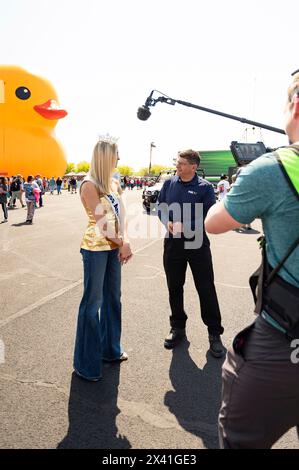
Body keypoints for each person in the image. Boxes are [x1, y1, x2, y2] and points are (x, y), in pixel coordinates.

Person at [205, 72, 299, 449]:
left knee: (240, 439)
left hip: (284, 344)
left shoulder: (274, 168)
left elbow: (215, 222)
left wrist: (249, 179)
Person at [73, 136, 133, 381]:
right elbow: (101, 223)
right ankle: (85, 364)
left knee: (113, 299)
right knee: (92, 303)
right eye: (116, 154)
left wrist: (125, 240)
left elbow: (123, 217)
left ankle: (110, 350)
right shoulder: (89, 184)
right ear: (106, 157)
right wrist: (122, 243)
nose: (119, 158)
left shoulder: (113, 183)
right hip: (95, 248)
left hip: (113, 247)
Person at [157, 149, 225, 358]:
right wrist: (167, 221)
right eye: (177, 162)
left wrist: (187, 227)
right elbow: (160, 206)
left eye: (181, 163)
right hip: (173, 246)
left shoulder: (205, 188)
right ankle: (178, 327)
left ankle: (214, 333)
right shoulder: (169, 183)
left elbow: (210, 216)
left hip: (197, 246)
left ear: (193, 166)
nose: (177, 166)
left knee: (205, 288)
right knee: (174, 287)